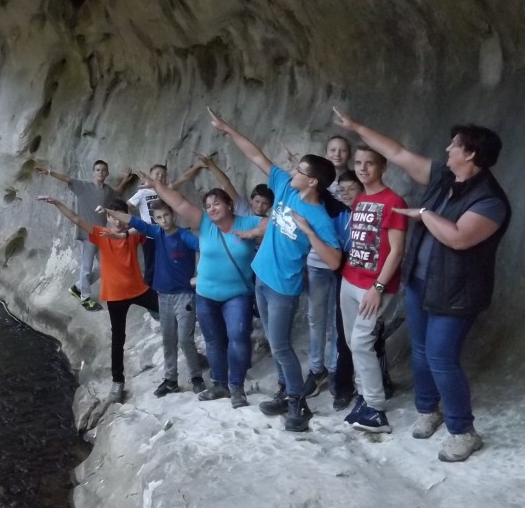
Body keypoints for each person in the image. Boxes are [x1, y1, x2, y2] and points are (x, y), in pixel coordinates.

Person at [333, 108, 511, 462]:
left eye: (454, 145)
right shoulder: (445, 176)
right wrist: (356, 126)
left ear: (470, 154)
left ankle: (463, 431)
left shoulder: (490, 200)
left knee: (442, 357)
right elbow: (397, 153)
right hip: (420, 282)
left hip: (456, 293)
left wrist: (425, 214)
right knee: (420, 350)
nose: (447, 149)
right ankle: (429, 410)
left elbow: (458, 238)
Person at [208, 108, 343, 431]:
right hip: (262, 278)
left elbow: (335, 261)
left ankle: (299, 403)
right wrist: (228, 129)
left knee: (281, 345)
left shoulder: (320, 217)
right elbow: (258, 156)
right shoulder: (285, 188)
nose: (292, 170)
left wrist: (308, 232)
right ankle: (286, 392)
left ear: (312, 181)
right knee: (274, 342)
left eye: (300, 169)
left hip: (283, 287)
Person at [140, 173, 267, 408]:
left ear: (229, 204)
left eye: (217, 203)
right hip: (206, 294)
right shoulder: (205, 223)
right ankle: (220, 384)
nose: (212, 208)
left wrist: (252, 234)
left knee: (238, 337)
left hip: (237, 294)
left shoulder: (247, 222)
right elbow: (179, 203)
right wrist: (157, 186)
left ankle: (236, 387)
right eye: (208, 206)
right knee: (213, 341)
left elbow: (271, 224)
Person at [37, 195, 158, 402]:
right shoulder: (101, 233)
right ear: (108, 218)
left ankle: (189, 351)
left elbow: (149, 228)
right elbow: (76, 219)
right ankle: (117, 382)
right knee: (118, 339)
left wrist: (129, 227)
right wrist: (57, 203)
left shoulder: (132, 233)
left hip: (139, 289)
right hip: (115, 296)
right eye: (113, 217)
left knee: (172, 311)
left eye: (121, 217)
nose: (117, 222)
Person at [337, 145, 408, 434]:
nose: (363, 168)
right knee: (353, 342)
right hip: (350, 279)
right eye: (359, 163)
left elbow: (397, 251)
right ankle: (363, 396)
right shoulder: (361, 199)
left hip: (375, 286)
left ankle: (376, 409)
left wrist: (377, 287)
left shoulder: (393, 201)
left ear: (382, 167)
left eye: (370, 163)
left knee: (362, 341)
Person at [103, 200, 205, 396]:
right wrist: (110, 212)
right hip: (163, 295)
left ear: (173, 215)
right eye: (159, 217)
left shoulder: (184, 235)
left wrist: (200, 275)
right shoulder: (156, 233)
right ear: (155, 220)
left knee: (185, 339)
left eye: (166, 215)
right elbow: (133, 221)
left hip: (184, 295)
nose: (163, 220)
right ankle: (170, 379)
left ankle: (196, 377)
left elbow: (204, 247)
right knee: (168, 339)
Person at [35, 160, 127, 311]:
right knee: (87, 267)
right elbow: (68, 179)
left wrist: (125, 180)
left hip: (101, 234)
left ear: (107, 173)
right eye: (97, 170)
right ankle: (85, 298)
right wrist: (50, 173)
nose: (100, 172)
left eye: (103, 170)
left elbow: (118, 193)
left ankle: (78, 287)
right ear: (93, 172)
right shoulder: (83, 186)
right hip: (87, 233)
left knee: (106, 266)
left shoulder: (108, 191)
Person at [127, 162, 202, 286]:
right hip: (150, 236)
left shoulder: (166, 189)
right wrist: (137, 224)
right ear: (150, 175)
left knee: (171, 261)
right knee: (151, 265)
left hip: (168, 234)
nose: (160, 177)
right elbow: (127, 206)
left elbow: (183, 178)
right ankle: (150, 293)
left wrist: (197, 165)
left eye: (163, 175)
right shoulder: (142, 192)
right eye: (157, 174)